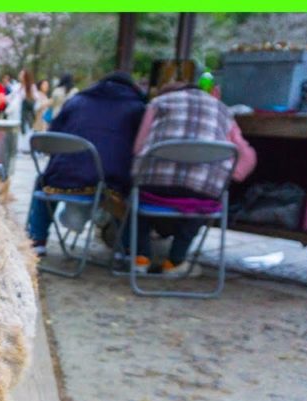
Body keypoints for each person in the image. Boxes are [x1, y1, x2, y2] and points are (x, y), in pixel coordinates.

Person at [126, 82, 257, 276]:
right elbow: (244, 155)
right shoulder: (223, 110)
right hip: (201, 188)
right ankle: (175, 262)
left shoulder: (158, 103)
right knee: (200, 202)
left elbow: (139, 148)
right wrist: (235, 174)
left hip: (155, 183)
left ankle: (140, 258)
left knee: (138, 198)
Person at [27, 71, 148, 257]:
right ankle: (127, 248)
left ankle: (37, 240)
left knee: (42, 182)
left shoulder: (77, 101)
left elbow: (52, 135)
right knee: (135, 189)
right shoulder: (138, 107)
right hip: (111, 183)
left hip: (63, 178)